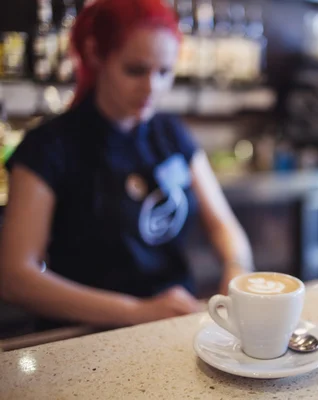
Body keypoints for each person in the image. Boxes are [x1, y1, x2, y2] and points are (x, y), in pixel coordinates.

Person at [0, 0, 253, 331]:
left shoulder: (170, 133)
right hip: (80, 336)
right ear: (95, 54)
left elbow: (223, 225)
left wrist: (236, 273)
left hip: (172, 324)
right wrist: (136, 311)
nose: (152, 87)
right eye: (136, 70)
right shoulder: (49, 147)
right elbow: (14, 276)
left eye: (164, 72)